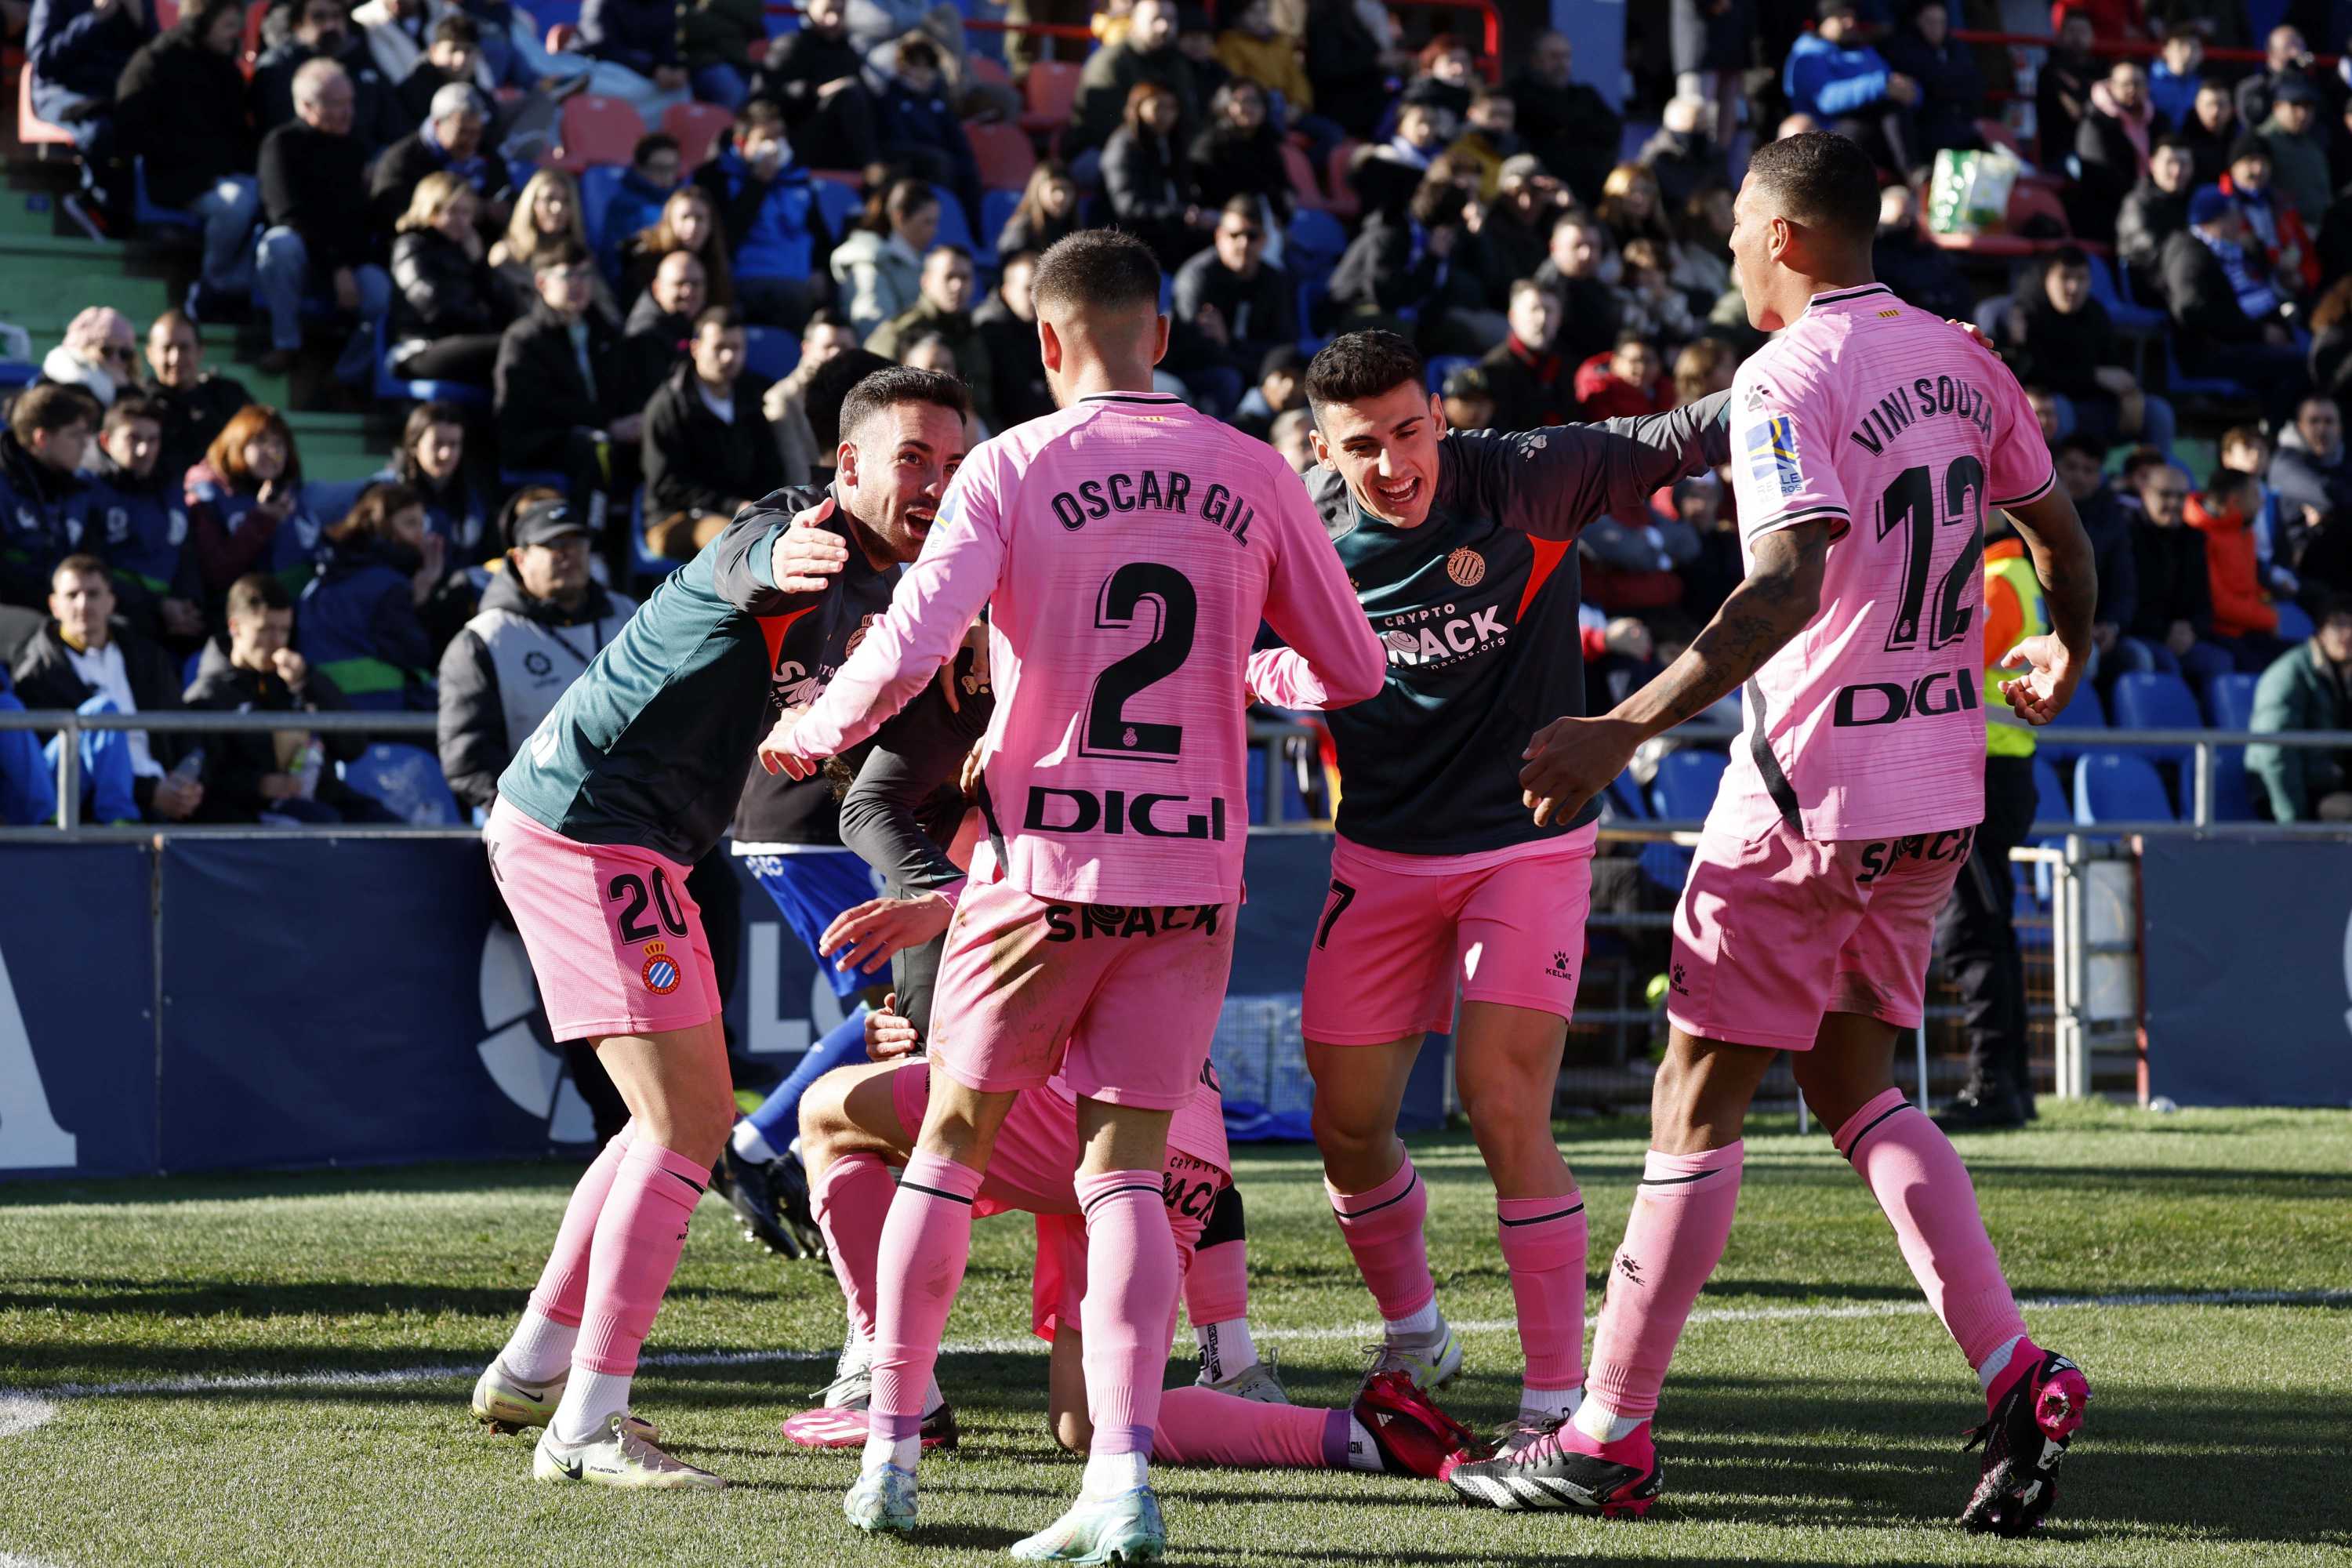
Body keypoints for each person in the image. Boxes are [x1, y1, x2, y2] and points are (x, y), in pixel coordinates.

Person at [1483, 130, 2097, 1534]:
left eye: (1741, 237)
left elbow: (1780, 589)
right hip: (1935, 792)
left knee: (1693, 1099)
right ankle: (2018, 1372)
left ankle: (1606, 1435)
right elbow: (2063, 543)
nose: (1734, 261)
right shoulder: (1966, 359)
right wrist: (2067, 647)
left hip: (1807, 790)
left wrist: (1620, 726)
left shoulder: (1787, 374)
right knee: (1856, 1089)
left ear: (1787, 237)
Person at [761, 230, 1383, 1558]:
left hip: (1043, 870)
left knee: (950, 1146)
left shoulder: (1013, 463)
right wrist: (1244, 673)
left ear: (1046, 342)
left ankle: (891, 1454)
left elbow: (916, 640)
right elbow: (1353, 672)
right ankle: (1118, 1483)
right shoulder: (1255, 468)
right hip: (1192, 875)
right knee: (1124, 1177)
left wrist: (811, 735)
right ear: (1160, 334)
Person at [1232, 325, 1731, 1472]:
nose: (1393, 464)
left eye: (1409, 433)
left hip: (1528, 842)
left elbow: (1692, 429)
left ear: (1442, 419)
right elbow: (1212, 629)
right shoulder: (1295, 523)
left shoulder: (1528, 478)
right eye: (1364, 446)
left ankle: (1556, 1407)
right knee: (1347, 1124)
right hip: (1381, 850)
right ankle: (1418, 1335)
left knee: (1502, 1101)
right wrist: (1274, 673)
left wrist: (1862, 360)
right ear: (1322, 449)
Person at [463, 365, 970, 1488]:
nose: (936, 482)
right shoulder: (800, 532)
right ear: (849, 464)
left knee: (667, 1121)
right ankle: (586, 1427)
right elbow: (750, 556)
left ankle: (535, 1368)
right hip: (589, 828)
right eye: (912, 459)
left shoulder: (895, 585)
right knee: (689, 1122)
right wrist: (782, 559)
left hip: (628, 839)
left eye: (951, 461)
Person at [1930, 507, 2046, 1133]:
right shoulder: (2011, 577)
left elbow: (1941, 660)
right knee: (1990, 931)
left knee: (1975, 932)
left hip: (1979, 775)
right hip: (1996, 773)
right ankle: (2012, 1086)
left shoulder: (1997, 582)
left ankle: (1995, 1085)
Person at [437, 494, 636, 816]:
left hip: (634, 809)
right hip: (533, 818)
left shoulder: (631, 617)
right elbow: (468, 757)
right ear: (519, 559)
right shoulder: (484, 640)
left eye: (576, 541)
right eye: (552, 544)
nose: (568, 553)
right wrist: (526, 814)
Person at [182, 572, 389, 823]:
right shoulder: (207, 696)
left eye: (284, 630)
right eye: (265, 630)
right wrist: (258, 785)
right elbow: (203, 779)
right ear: (235, 627)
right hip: (257, 815)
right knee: (325, 825)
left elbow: (353, 747)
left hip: (325, 798)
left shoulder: (295, 680)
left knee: (394, 830)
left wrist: (308, 683)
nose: (277, 641)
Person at [12, 554, 201, 823]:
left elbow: (182, 725)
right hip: (90, 810)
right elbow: (45, 771)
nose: (83, 604)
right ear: (54, 605)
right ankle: (121, 821)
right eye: (72, 595)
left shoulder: (147, 657)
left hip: (163, 794)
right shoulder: (35, 674)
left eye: (93, 594)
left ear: (111, 601)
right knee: (104, 711)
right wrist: (149, 792)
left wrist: (188, 781)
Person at [493, 240, 641, 554]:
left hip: (599, 432)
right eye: (568, 276)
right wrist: (608, 424)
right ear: (541, 283)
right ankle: (592, 547)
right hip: (541, 439)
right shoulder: (524, 338)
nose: (579, 284)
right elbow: (534, 406)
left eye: (586, 275)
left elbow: (624, 388)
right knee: (595, 447)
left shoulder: (604, 332)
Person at [112, 0, 259, 311]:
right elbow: (133, 131)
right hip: (176, 180)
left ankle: (234, 284)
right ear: (201, 24)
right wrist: (199, 171)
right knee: (235, 205)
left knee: (265, 196)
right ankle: (213, 283)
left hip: (221, 175)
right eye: (227, 26)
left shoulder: (226, 71)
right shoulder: (156, 61)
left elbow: (239, 138)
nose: (235, 34)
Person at [256, 59, 395, 380]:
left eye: (350, 103)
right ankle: (286, 344)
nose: (347, 113)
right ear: (305, 105)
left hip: (349, 260)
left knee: (380, 292)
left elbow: (358, 222)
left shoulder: (356, 149)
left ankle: (346, 376)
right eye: (335, 104)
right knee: (279, 245)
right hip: (307, 257)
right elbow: (289, 215)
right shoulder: (281, 145)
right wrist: (336, 267)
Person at [641, 307, 786, 561]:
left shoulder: (754, 396)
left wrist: (762, 505)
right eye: (719, 347)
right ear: (696, 349)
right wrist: (732, 506)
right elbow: (668, 485)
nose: (729, 356)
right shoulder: (669, 406)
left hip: (747, 514)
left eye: (736, 348)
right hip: (675, 518)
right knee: (735, 538)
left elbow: (770, 465)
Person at [2002, 246, 2174, 456]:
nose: (2073, 287)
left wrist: (2130, 394)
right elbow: (2033, 374)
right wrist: (2092, 375)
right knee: (2056, 410)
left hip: (2098, 407)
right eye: (2065, 278)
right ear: (2047, 279)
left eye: (2081, 278)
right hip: (2057, 406)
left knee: (2157, 411)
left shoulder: (2096, 313)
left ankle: (2153, 471)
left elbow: (2114, 366)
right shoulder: (2028, 316)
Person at [2158, 187, 2309, 412]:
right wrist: (2258, 333)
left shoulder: (2236, 251)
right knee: (2298, 365)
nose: (2239, 220)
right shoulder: (2189, 253)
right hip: (2211, 352)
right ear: (2212, 221)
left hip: (2244, 341)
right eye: (2232, 215)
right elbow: (2194, 311)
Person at [296, 481, 442, 708]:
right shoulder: (388, 586)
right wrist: (422, 596)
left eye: (422, 524)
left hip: (326, 708)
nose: (420, 535)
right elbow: (417, 653)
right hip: (379, 709)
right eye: (410, 523)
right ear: (382, 526)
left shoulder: (326, 575)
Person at [692, 100, 833, 330]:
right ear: (741, 143)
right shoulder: (714, 177)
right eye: (766, 139)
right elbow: (724, 235)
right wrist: (757, 184)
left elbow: (817, 232)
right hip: (744, 281)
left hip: (796, 282)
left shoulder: (798, 179)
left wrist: (819, 268)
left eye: (780, 136)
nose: (776, 146)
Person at [88, 394, 201, 643]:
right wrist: (157, 605)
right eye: (133, 438)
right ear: (106, 441)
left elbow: (186, 554)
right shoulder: (89, 493)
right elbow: (90, 568)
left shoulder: (172, 491)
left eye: (153, 440)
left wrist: (188, 603)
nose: (144, 450)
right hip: (117, 620)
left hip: (173, 620)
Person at [185, 403, 329, 597]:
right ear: (237, 445)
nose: (272, 451)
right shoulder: (206, 495)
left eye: (279, 443)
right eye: (260, 441)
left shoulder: (287, 494)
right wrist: (262, 519)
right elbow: (216, 575)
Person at [389, 171, 510, 386]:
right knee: (513, 347)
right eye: (452, 211)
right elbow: (432, 304)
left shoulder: (467, 251)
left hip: (464, 341)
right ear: (430, 210)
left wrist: (479, 264)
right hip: (421, 347)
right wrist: (481, 321)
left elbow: (500, 304)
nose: (461, 221)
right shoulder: (412, 246)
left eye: (466, 213)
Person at [1173, 197, 1295, 401]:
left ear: (1264, 240)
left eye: (1252, 236)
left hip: (1256, 372)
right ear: (1219, 236)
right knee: (1229, 380)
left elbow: (1284, 347)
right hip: (1200, 374)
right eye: (1234, 235)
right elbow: (1196, 350)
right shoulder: (1198, 278)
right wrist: (1244, 355)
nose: (1243, 244)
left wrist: (1230, 342)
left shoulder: (1275, 280)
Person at [1783, 1, 1920, 177]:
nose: (1850, 23)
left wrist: (1910, 92)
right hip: (1829, 133)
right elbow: (1826, 99)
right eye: (1842, 17)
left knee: (1896, 112)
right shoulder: (1808, 53)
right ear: (1825, 20)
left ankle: (1914, 177)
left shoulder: (1863, 49)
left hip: (1878, 132)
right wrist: (1881, 87)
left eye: (1852, 16)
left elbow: (1892, 83)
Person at [2247, 593, 2352, 821]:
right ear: (2321, 630)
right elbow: (2275, 752)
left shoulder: (2346, 673)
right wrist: (2293, 820)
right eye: (2339, 624)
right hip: (2291, 795)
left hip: (2333, 786)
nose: (2348, 634)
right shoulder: (2289, 673)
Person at [865, 246, 995, 430]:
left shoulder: (976, 332)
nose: (957, 285)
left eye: (964, 278)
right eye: (949, 277)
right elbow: (874, 398)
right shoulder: (898, 333)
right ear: (926, 281)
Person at [252, 0, 401, 154]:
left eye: (337, 16)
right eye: (318, 17)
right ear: (298, 24)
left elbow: (393, 123)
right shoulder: (278, 68)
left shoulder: (360, 60)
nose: (330, 25)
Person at [0, 386, 100, 612]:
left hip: (62, 615)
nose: (85, 444)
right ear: (42, 438)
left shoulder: (80, 490)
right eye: (74, 435)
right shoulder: (5, 488)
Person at [750, 0, 880, 173]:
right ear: (810, 9)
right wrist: (817, 92)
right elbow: (764, 97)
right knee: (848, 94)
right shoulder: (791, 45)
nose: (834, 19)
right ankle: (872, 166)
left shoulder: (847, 52)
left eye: (840, 12)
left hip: (844, 144)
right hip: (800, 139)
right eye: (827, 11)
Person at [874, 38, 981, 234]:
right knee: (940, 162)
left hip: (939, 158)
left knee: (968, 169)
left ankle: (972, 233)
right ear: (903, 68)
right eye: (916, 65)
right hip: (909, 160)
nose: (923, 73)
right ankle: (943, 228)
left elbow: (956, 138)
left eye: (928, 66)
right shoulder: (891, 98)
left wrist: (965, 160)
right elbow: (894, 140)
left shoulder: (939, 100)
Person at [1103, 80, 1212, 272]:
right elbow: (1128, 206)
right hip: (1136, 240)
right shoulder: (1124, 146)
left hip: (1177, 234)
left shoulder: (1174, 142)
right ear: (1138, 108)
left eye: (1172, 108)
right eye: (1159, 107)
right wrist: (1180, 214)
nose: (1166, 114)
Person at [2185, 467, 2285, 672]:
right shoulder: (2199, 537)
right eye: (2255, 495)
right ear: (2234, 501)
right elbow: (2218, 603)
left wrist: (2266, 601)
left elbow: (2252, 587)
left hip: (2249, 630)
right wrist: (2269, 618)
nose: (2262, 501)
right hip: (2220, 633)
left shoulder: (2244, 532)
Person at [2052, 434, 2136, 677]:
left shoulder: (2112, 520)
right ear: (2054, 467)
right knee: (2084, 660)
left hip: (2096, 630)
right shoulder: (2030, 512)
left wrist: (2112, 625)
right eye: (2071, 467)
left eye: (2089, 470)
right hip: (2046, 628)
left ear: (2099, 476)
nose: (2079, 477)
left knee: (2138, 658)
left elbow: (2123, 585)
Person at [1506, 28, 1620, 207]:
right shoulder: (1516, 93)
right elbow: (1550, 117)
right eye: (1554, 56)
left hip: (1591, 196)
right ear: (1535, 59)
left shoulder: (1585, 95)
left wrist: (1568, 126)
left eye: (1566, 56)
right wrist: (1576, 125)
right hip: (1540, 198)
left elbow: (1612, 129)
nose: (1562, 63)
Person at [27, 0, 156, 155]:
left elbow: (158, 59)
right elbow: (42, 63)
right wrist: (93, 19)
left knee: (159, 129)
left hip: (116, 93)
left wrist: (141, 24)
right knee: (99, 133)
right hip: (64, 94)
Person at [1071, 0, 1197, 159]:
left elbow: (1189, 115)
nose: (1164, 26)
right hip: (1103, 151)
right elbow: (1102, 123)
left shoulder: (1177, 62)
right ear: (1134, 22)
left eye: (1170, 20)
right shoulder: (1110, 61)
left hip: (1160, 152)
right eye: (1156, 19)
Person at [368, 79, 495, 238]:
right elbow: (395, 220)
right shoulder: (401, 162)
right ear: (437, 124)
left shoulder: (483, 151)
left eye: (476, 132)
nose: (471, 141)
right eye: (463, 132)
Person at [143, 310, 252, 489]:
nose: (175, 358)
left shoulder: (228, 397)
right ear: (150, 353)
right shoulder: (138, 403)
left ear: (200, 351)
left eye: (184, 348)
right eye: (166, 348)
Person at [496, 169, 621, 322]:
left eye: (566, 201)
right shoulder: (507, 255)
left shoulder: (581, 255)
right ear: (531, 203)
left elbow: (608, 310)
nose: (558, 208)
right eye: (549, 199)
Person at [383, 400, 493, 561]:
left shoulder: (475, 494)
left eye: (454, 444)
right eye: (437, 443)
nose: (446, 454)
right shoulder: (388, 492)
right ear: (414, 445)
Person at [830, 178, 937, 341]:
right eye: (927, 222)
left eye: (936, 222)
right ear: (900, 217)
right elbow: (873, 328)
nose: (934, 231)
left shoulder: (926, 262)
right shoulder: (868, 263)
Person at [766, 312, 863, 485]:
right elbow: (797, 475)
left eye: (844, 347)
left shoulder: (861, 394)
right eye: (828, 346)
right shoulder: (783, 400)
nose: (836, 354)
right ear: (806, 349)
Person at [1878, 1, 1984, 158]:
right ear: (1916, 22)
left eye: (1941, 22)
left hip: (1962, 127)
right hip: (1927, 133)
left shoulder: (1954, 47)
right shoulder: (1902, 48)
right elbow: (1933, 82)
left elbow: (1976, 82)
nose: (1936, 27)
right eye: (1930, 22)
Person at [1188, 77, 1291, 221]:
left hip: (1266, 221)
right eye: (1243, 101)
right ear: (1225, 106)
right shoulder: (1210, 145)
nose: (1249, 108)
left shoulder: (1267, 141)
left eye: (1256, 101)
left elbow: (1282, 186)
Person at [2073, 58, 2153, 241]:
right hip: (2107, 218)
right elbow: (2102, 176)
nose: (2132, 89)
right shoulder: (2095, 123)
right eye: (2126, 84)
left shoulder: (2156, 121)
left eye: (2138, 83)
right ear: (2111, 86)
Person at [618, 184, 731, 311]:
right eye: (685, 217)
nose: (693, 226)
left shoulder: (714, 260)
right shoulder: (645, 258)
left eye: (699, 218)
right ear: (670, 221)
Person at [972, 251, 1053, 430]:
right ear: (1007, 290)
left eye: (1041, 289)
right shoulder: (989, 329)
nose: (1035, 298)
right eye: (1028, 289)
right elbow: (1015, 398)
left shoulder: (1036, 323)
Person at [1534, 211, 1623, 364]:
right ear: (1554, 248)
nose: (1586, 254)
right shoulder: (1546, 294)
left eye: (1593, 246)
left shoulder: (1594, 281)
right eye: (1577, 246)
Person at [2118, 135, 2194, 296]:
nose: (2177, 171)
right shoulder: (2138, 204)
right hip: (2156, 288)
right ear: (2152, 165)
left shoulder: (2194, 199)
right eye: (2170, 162)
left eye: (2184, 163)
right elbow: (2147, 252)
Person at [598, 135, 682, 283]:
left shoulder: (679, 199)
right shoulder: (624, 206)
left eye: (672, 168)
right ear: (640, 168)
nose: (668, 175)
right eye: (660, 168)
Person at [38, 306, 140, 410]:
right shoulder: (59, 391)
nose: (116, 359)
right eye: (106, 351)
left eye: (125, 354)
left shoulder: (137, 391)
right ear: (81, 351)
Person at [2035, 9, 2098, 167]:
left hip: (2097, 147)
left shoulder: (2101, 70)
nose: (2077, 37)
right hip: (2063, 153)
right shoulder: (2050, 72)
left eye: (2082, 31)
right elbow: (2077, 113)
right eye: (2071, 31)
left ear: (2093, 36)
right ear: (2060, 36)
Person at [679, 0, 761, 109]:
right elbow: (689, 24)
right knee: (731, 91)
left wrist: (709, 5)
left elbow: (752, 13)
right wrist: (731, 25)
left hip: (742, 62)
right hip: (701, 61)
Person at [2234, 23, 2315, 132]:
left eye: (2299, 46)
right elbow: (2254, 122)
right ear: (2271, 52)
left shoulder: (2311, 85)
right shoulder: (2251, 87)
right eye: (2288, 46)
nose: (2295, 53)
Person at [996, 162, 1082, 264]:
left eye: (1067, 189)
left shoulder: (1074, 225)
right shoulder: (1022, 227)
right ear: (1037, 190)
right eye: (1054, 189)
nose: (1061, 197)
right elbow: (1008, 261)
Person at [2180, 79, 2238, 188]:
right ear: (2197, 106)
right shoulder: (2184, 140)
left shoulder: (2240, 138)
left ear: (2232, 108)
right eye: (2209, 105)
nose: (2215, 111)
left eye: (2221, 105)